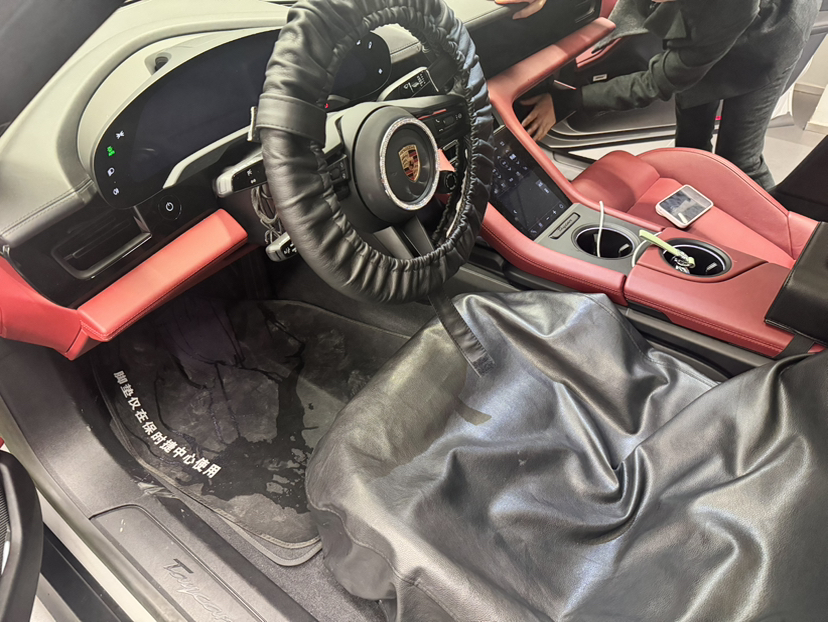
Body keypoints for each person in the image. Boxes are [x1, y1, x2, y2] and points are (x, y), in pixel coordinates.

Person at [496, 0, 821, 190]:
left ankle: (787, 247)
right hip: (712, 25)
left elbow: (660, 81)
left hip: (770, 37)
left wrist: (568, 101)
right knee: (690, 144)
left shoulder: (726, 9)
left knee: (738, 161)